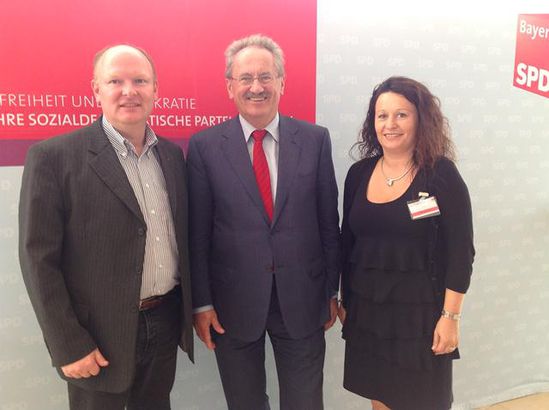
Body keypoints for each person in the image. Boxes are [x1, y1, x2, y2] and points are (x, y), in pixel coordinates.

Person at [18, 44, 193, 410]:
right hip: (95, 337)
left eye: (140, 81)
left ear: (155, 89)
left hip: (164, 322)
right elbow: (38, 261)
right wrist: (68, 344)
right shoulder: (54, 158)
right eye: (115, 81)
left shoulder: (172, 156)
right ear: (96, 90)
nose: (129, 91)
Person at [187, 34, 340, 410]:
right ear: (230, 86)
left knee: (305, 402)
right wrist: (201, 302)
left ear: (281, 83)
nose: (256, 87)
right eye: (245, 78)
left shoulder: (315, 140)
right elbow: (198, 235)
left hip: (303, 298)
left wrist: (331, 291)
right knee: (245, 403)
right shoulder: (205, 147)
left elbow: (328, 223)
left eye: (266, 76)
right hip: (232, 303)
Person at [338, 76, 474, 410]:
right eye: (382, 115)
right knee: (380, 397)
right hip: (369, 313)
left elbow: (460, 252)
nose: (390, 124)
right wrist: (345, 300)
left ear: (421, 119)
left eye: (401, 114)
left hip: (420, 319)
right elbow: (347, 244)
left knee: (421, 400)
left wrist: (450, 317)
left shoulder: (440, 174)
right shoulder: (358, 174)